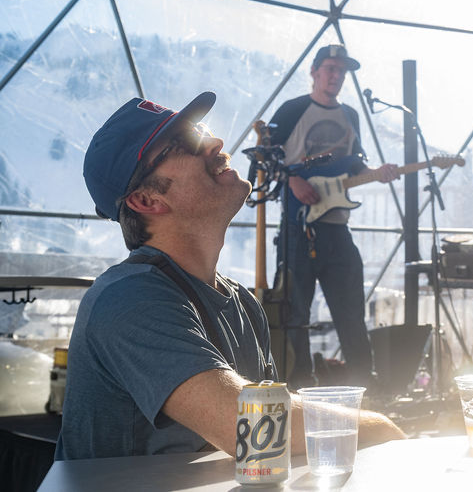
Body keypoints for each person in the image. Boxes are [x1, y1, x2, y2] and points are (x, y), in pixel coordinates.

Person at [56, 92, 404, 460]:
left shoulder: (240, 302)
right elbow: (253, 428)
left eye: (201, 130)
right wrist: (381, 428)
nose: (215, 142)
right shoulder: (128, 299)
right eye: (185, 142)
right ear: (147, 201)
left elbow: (269, 430)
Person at [267, 44, 398, 388]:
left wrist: (375, 172)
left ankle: (363, 389)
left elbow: (354, 162)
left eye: (341, 70)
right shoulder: (293, 109)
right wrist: (292, 179)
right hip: (298, 229)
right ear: (314, 72)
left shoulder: (351, 116)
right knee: (296, 314)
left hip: (337, 228)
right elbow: (264, 161)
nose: (336, 76)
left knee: (351, 313)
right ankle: (299, 387)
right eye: (329, 68)